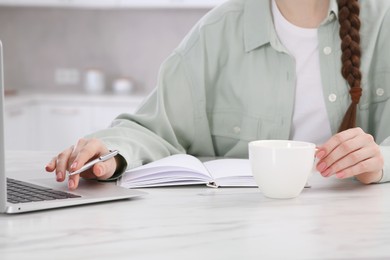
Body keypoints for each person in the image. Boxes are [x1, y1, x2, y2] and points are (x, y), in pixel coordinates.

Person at [46, 0, 390, 190]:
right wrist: (109, 153)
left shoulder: (384, 22)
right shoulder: (217, 32)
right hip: (242, 231)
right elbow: (152, 127)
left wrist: (379, 163)